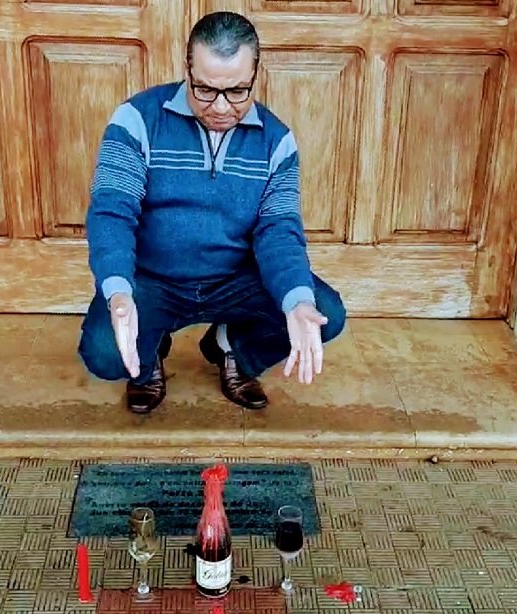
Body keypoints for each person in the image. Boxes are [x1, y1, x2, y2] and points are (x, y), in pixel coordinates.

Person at [78, 11, 346, 414]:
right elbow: (112, 212)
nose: (221, 107)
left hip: (235, 281)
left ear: (255, 74)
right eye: (205, 89)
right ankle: (149, 354)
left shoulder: (277, 141)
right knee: (104, 353)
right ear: (187, 69)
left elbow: (278, 230)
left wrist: (297, 301)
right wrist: (118, 292)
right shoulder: (136, 120)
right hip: (154, 280)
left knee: (322, 312)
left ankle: (229, 346)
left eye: (237, 91)